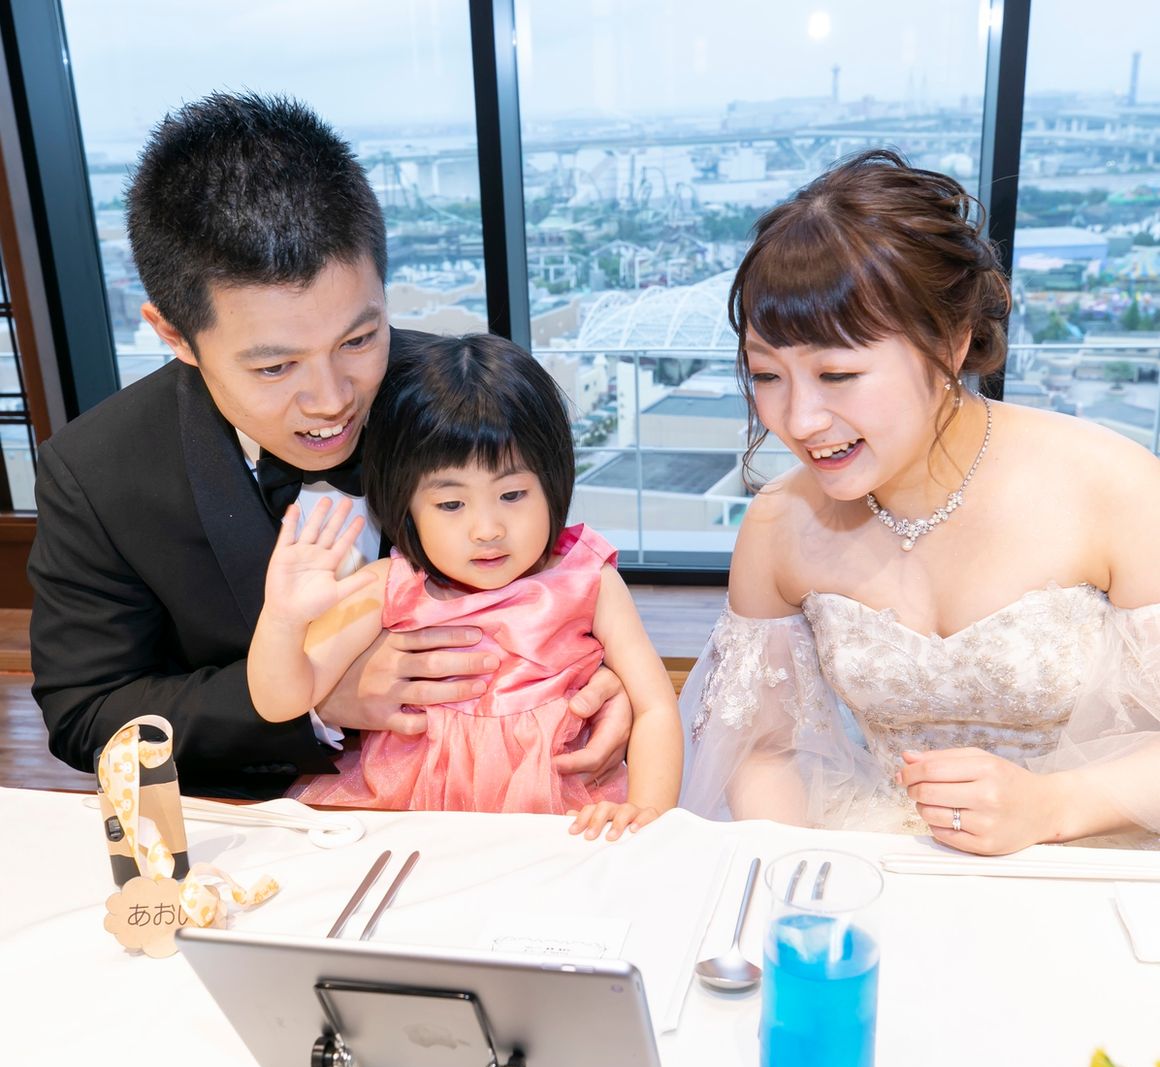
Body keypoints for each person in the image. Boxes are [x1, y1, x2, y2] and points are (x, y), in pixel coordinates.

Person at [28, 93, 629, 798]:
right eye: (275, 367)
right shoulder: (99, 471)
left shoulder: (459, 400)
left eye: (359, 338)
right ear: (174, 334)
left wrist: (600, 682)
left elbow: (545, 570)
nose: (331, 400)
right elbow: (87, 713)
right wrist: (318, 704)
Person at [679, 149, 1160, 854]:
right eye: (766, 374)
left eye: (837, 374)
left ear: (951, 345)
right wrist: (799, 870)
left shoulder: (1114, 488)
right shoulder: (779, 525)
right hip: (880, 859)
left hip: (1082, 851)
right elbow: (765, 751)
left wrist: (1053, 806)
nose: (799, 420)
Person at [247, 333, 682, 838]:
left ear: (553, 481)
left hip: (560, 816)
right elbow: (281, 701)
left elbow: (654, 705)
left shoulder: (589, 579)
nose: (487, 529)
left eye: (513, 494)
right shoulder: (387, 586)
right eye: (451, 504)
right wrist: (282, 620)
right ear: (404, 504)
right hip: (410, 821)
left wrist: (648, 812)